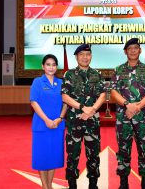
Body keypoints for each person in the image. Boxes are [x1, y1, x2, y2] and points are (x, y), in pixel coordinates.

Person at [110, 38, 145, 189]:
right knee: (123, 150)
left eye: (136, 48)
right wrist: (127, 105)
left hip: (143, 117)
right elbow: (113, 92)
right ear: (125, 52)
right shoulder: (118, 70)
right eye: (130, 48)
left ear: (140, 50)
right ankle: (124, 183)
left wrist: (137, 107)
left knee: (144, 150)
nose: (133, 50)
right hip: (124, 118)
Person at [61, 44, 106, 189]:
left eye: (87, 54)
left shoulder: (97, 74)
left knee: (93, 154)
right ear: (76, 57)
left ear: (91, 56)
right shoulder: (69, 74)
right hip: (75, 120)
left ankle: (93, 184)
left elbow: (103, 95)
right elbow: (64, 96)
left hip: (92, 121)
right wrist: (82, 108)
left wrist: (91, 110)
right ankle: (72, 184)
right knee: (73, 154)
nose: (85, 57)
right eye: (82, 54)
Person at [30, 54, 67, 189]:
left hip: (57, 126)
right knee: (42, 158)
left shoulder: (61, 83)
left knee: (53, 157)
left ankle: (49, 185)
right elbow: (34, 102)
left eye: (53, 64)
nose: (51, 67)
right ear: (43, 66)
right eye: (48, 64)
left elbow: (65, 103)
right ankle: (45, 187)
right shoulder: (37, 82)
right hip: (42, 126)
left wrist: (60, 118)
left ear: (56, 67)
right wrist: (46, 120)